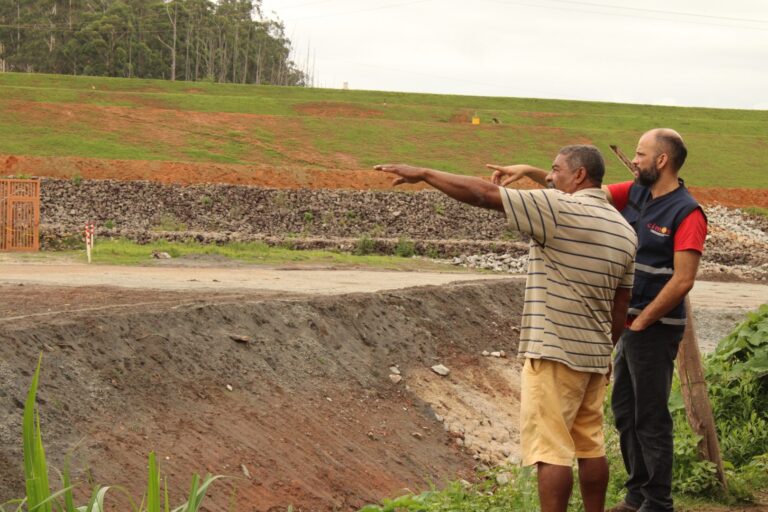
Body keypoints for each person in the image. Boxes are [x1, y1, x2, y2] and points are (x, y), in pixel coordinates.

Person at [375, 144, 637, 512]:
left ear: (579, 175)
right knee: (590, 445)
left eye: (556, 169)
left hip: (554, 351)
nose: (550, 177)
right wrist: (606, 349)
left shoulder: (558, 208)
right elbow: (621, 304)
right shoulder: (624, 229)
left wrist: (425, 173)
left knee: (552, 451)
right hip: (594, 357)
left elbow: (484, 194)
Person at [493, 129, 707, 512]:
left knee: (650, 415)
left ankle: (658, 502)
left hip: (654, 328)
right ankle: (636, 495)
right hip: (625, 323)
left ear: (662, 160)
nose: (634, 160)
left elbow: (683, 279)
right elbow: (580, 189)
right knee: (625, 411)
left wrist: (642, 321)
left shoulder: (687, 211)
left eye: (640, 154)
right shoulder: (636, 193)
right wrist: (528, 170)